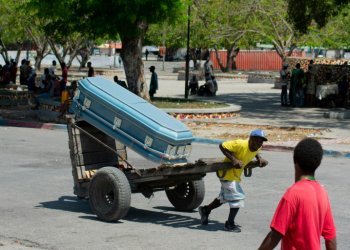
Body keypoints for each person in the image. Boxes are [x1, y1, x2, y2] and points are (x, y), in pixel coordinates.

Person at [258, 138, 337, 250]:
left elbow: (275, 235)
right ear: (317, 164)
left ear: (296, 162)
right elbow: (331, 238)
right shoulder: (322, 192)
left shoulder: (293, 194)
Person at [198, 129, 268, 232]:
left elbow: (255, 152)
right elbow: (222, 145)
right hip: (227, 174)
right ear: (251, 139)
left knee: (224, 198)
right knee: (237, 197)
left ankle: (205, 210)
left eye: (261, 141)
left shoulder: (256, 147)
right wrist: (234, 159)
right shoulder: (240, 144)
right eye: (257, 140)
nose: (259, 143)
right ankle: (229, 224)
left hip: (235, 175)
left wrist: (259, 158)